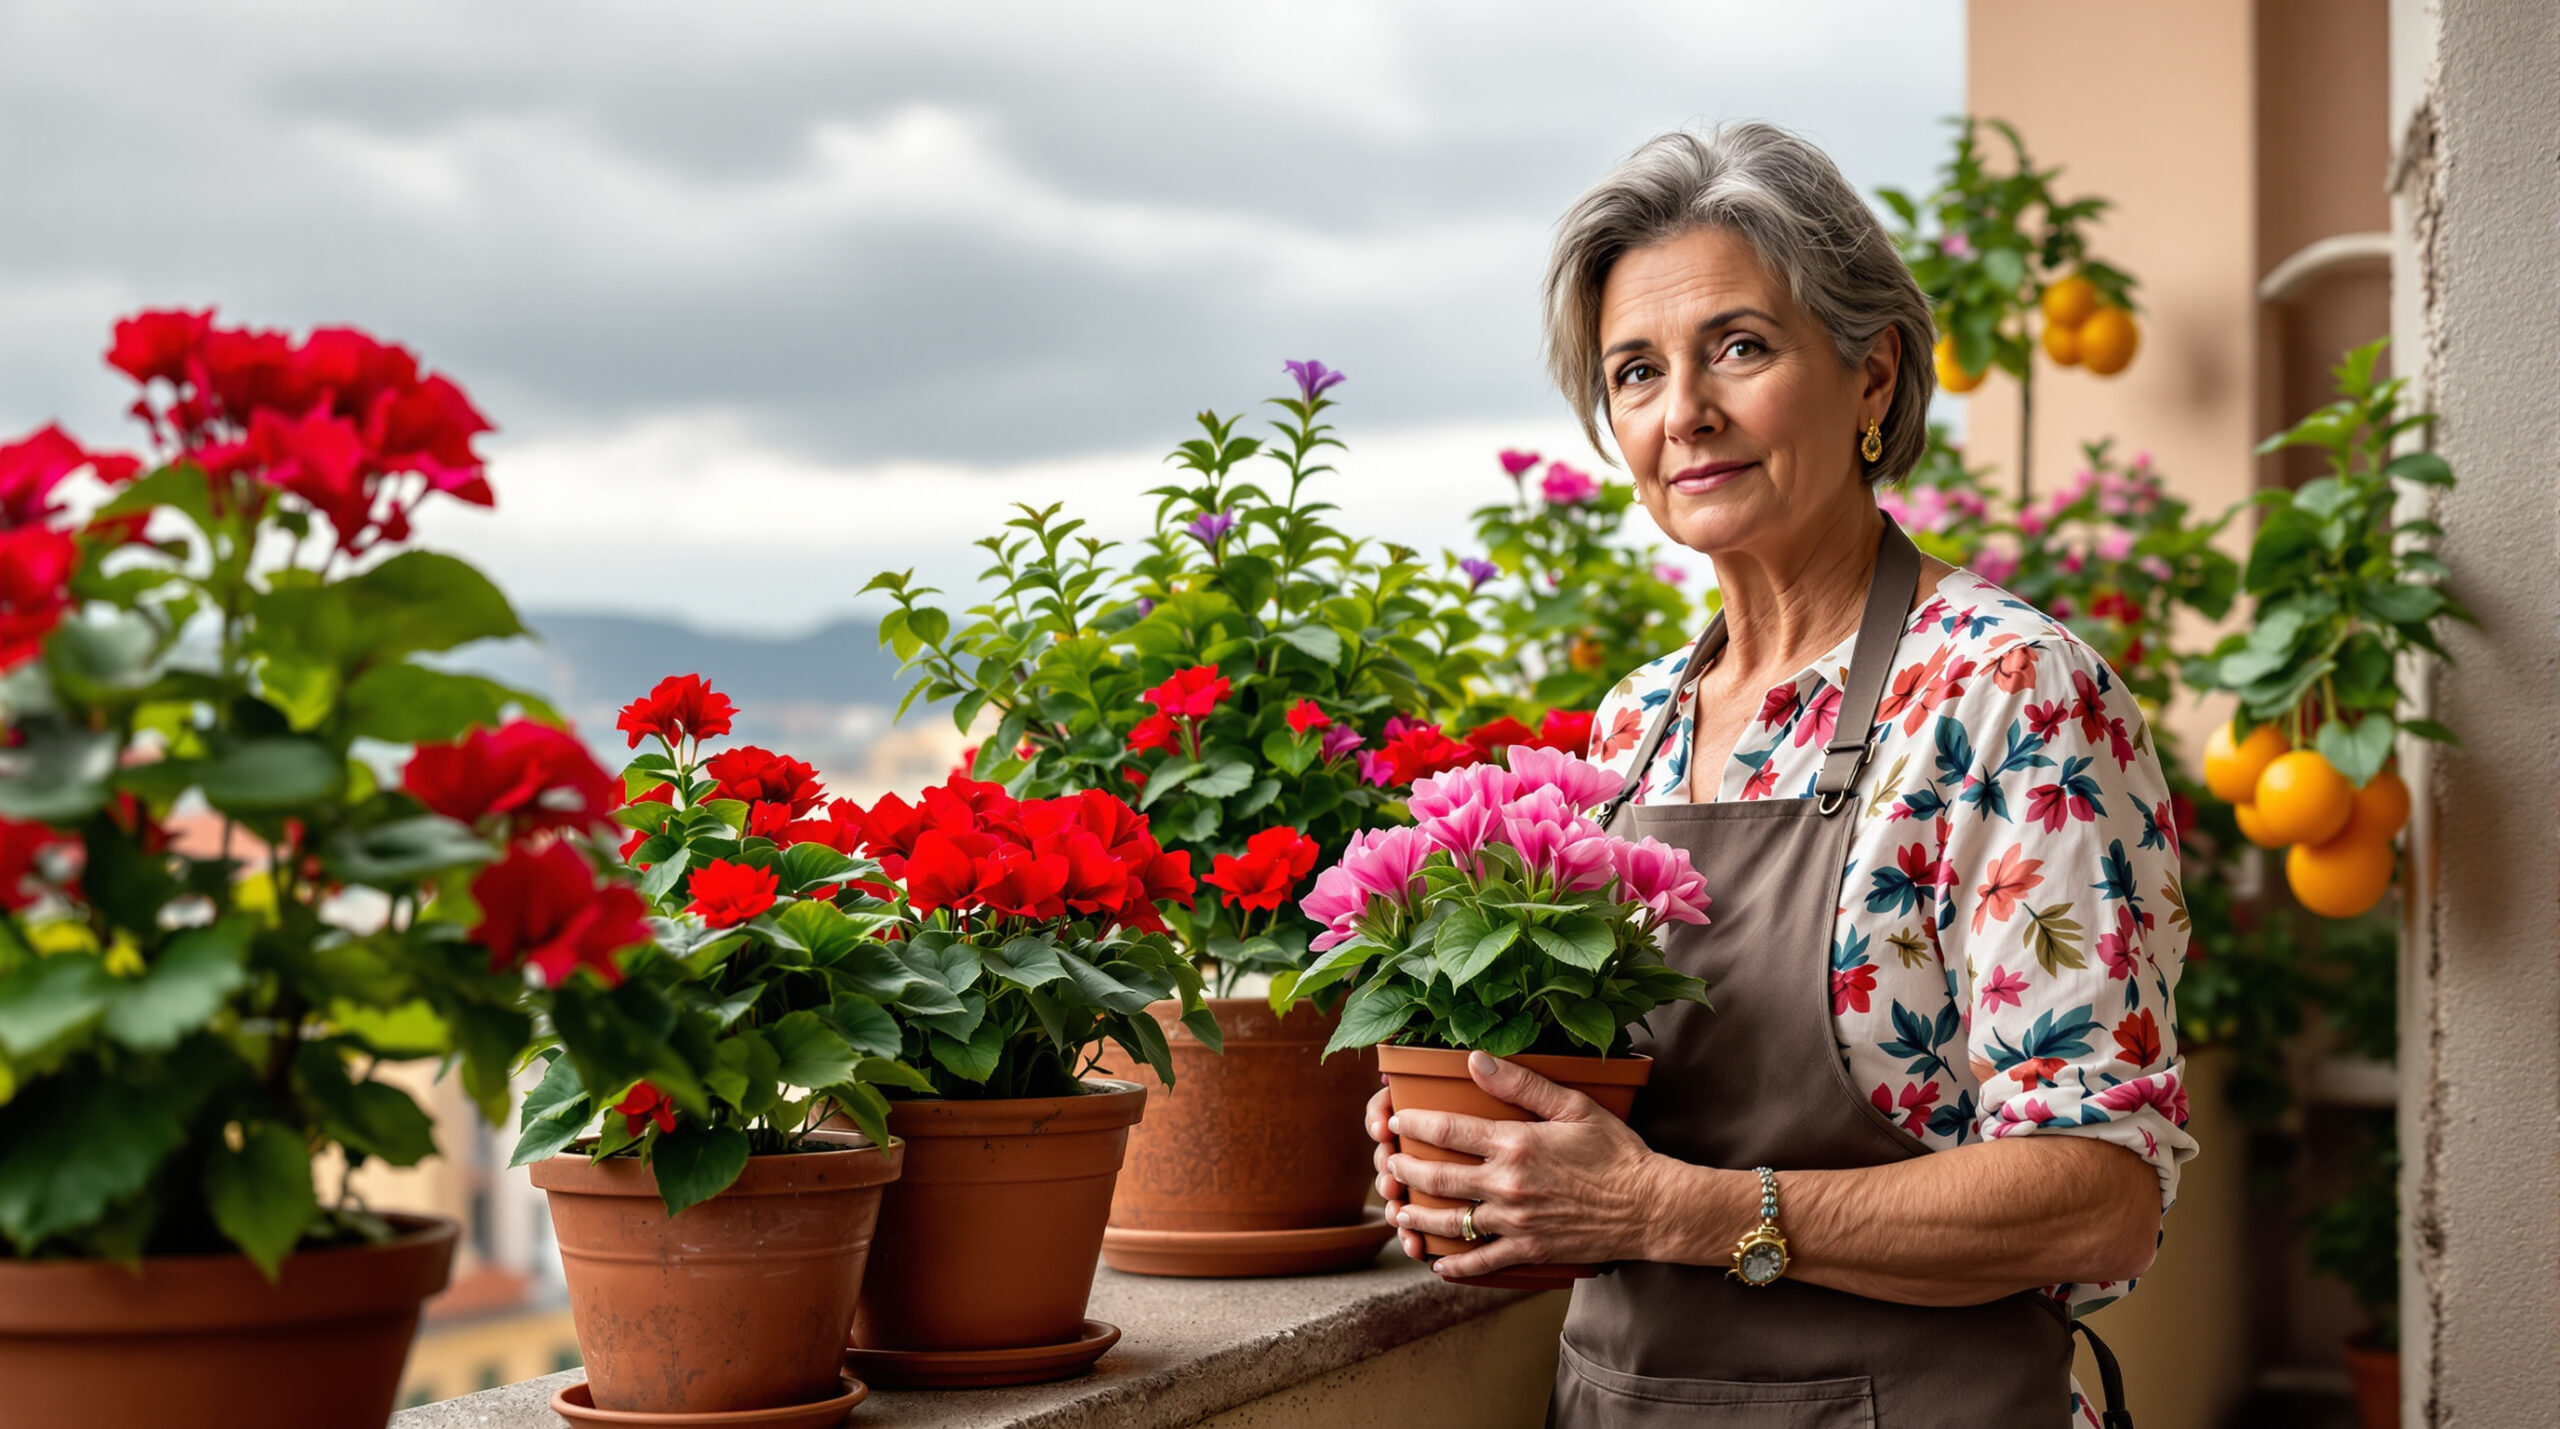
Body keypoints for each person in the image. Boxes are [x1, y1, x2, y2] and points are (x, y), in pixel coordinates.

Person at [1366, 123, 2193, 1427]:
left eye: (1738, 347)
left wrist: (1679, 1211)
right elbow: (1593, 1130)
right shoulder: (1634, 722)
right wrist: (1474, 1146)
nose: (1682, 409)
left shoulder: (2007, 695)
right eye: (1635, 370)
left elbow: (2099, 1191)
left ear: (1872, 376)